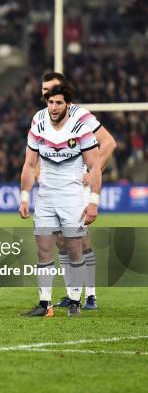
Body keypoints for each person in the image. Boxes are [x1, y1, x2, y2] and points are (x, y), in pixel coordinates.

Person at [19, 84, 102, 317]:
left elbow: (95, 167)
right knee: (43, 251)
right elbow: (29, 164)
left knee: (73, 249)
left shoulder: (81, 129)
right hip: (45, 197)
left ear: (67, 105)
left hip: (72, 198)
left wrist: (93, 201)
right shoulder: (38, 126)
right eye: (50, 102)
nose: (53, 107)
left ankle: (75, 300)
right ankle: (45, 304)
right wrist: (25, 197)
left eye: (58, 103)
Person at [38, 72, 116, 310]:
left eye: (49, 89)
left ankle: (90, 295)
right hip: (56, 186)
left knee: (79, 239)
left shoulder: (79, 115)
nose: (44, 94)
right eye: (43, 90)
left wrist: (92, 174)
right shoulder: (43, 118)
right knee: (61, 241)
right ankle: (73, 293)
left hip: (76, 183)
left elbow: (109, 142)